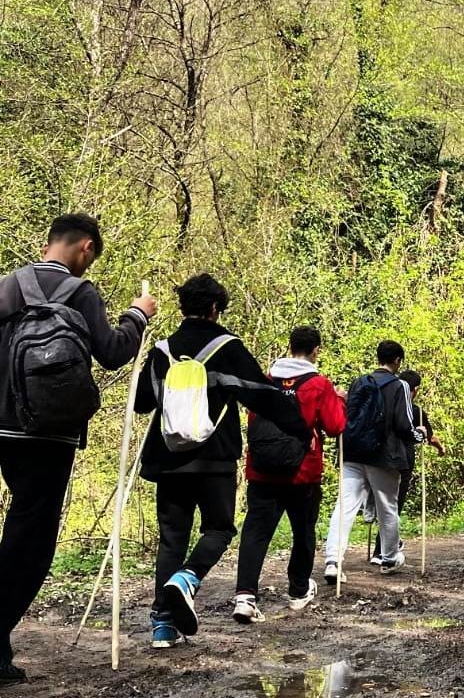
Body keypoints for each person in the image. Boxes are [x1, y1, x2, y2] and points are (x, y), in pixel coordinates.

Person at [0, 214, 156, 686]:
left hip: (3, 427)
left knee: (17, 534)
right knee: (32, 541)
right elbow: (111, 351)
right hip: (50, 435)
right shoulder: (80, 293)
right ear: (85, 248)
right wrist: (139, 316)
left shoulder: (8, 286)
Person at [136, 273, 305, 649]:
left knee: (171, 540)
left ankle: (163, 626)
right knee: (219, 529)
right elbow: (261, 394)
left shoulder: (162, 350)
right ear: (215, 308)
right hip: (214, 459)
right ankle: (188, 579)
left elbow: (141, 403)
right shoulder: (226, 347)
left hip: (168, 459)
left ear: (184, 306)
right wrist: (298, 427)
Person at [232, 326, 347, 623]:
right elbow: (335, 427)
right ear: (315, 350)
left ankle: (245, 596)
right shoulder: (319, 385)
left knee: (256, 532)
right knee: (303, 531)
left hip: (262, 470)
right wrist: (340, 400)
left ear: (289, 346)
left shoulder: (265, 380)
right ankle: (297, 591)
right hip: (302, 472)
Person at [323, 340, 414, 583]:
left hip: (353, 452)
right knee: (387, 507)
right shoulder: (400, 385)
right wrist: (419, 435)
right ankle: (390, 558)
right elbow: (404, 424)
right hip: (383, 456)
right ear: (397, 361)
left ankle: (332, 561)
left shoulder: (359, 382)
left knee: (344, 507)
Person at [368, 369, 445, 565]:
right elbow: (429, 436)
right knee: (393, 506)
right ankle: (381, 551)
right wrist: (440, 448)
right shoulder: (416, 411)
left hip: (377, 457)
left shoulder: (381, 404)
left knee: (382, 502)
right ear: (416, 389)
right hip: (402, 461)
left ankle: (386, 542)